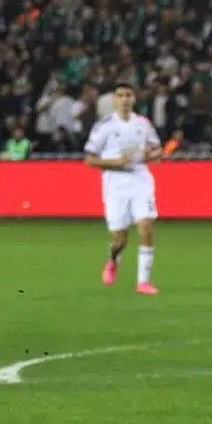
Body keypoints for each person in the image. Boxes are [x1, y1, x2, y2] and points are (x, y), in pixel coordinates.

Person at [83, 83, 162, 294]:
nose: (124, 99)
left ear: (134, 99)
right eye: (120, 95)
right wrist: (115, 162)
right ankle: (113, 259)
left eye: (128, 95)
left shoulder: (143, 124)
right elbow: (90, 159)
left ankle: (143, 282)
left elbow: (157, 150)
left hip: (140, 180)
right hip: (115, 183)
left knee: (146, 225)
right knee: (120, 238)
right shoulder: (104, 126)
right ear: (114, 100)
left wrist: (150, 156)